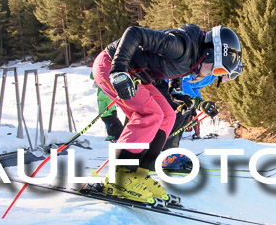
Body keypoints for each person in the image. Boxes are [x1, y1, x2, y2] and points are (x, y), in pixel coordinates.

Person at [93, 24, 242, 203]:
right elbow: (134, 33)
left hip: (138, 75)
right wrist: (118, 70)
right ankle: (120, 177)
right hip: (111, 66)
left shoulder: (193, 57)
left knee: (167, 115)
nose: (214, 75)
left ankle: (139, 173)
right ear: (209, 53)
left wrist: (175, 90)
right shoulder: (179, 46)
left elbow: (176, 68)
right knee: (150, 113)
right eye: (217, 69)